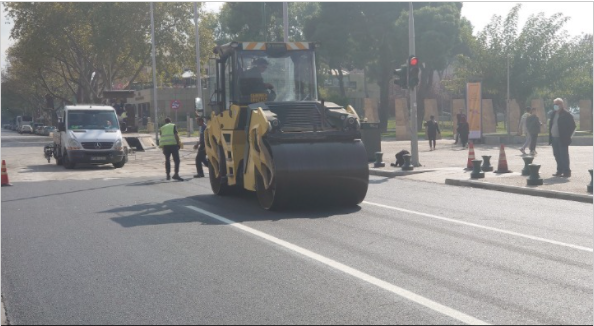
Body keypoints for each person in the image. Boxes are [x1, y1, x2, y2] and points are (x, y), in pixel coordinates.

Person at [549, 98, 576, 177]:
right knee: (556, 154)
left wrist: (567, 136)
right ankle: (559, 170)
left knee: (563, 155)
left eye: (557, 104)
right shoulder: (553, 114)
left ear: (561, 105)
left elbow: (573, 126)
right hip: (554, 138)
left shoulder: (566, 114)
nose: (555, 106)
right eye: (554, 104)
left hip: (562, 138)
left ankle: (566, 171)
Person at [159, 117, 184, 181]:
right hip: (173, 145)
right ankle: (176, 174)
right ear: (170, 121)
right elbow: (176, 135)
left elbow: (161, 137)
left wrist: (163, 148)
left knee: (167, 160)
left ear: (165, 122)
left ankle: (168, 175)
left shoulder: (162, 128)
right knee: (177, 160)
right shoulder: (173, 126)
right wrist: (178, 143)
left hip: (165, 146)